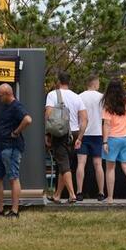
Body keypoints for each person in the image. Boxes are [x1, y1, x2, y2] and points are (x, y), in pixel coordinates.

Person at [44, 71, 87, 204]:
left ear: (58, 81)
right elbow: (85, 119)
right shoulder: (77, 97)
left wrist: (47, 133)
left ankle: (72, 194)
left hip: (60, 133)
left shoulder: (52, 95)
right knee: (64, 164)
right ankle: (57, 195)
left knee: (63, 164)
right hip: (74, 133)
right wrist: (80, 137)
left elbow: (48, 114)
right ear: (69, 82)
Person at [0, 83, 32, 218]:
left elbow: (28, 119)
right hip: (1, 148)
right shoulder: (5, 106)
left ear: (7, 94)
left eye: (0, 96)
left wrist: (16, 132)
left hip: (12, 147)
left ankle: (15, 211)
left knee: (13, 177)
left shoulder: (16, 106)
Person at [76, 74, 105, 201]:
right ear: (95, 83)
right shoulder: (102, 97)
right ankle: (101, 192)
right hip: (97, 133)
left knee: (81, 163)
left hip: (82, 134)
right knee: (98, 164)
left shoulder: (79, 97)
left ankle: (79, 192)